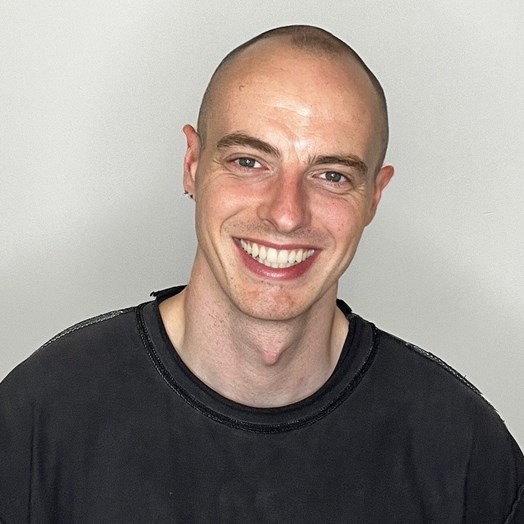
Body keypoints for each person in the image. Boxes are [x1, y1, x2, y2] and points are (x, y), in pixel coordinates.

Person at [0, 24, 522, 523]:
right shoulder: (38, 420)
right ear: (192, 165)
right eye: (249, 162)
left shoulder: (461, 447)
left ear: (374, 198)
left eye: (332, 175)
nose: (287, 212)